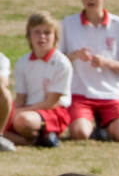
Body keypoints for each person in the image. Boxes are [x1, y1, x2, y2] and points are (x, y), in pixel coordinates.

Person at [61, 0, 119, 142]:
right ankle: (91, 126)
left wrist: (107, 63)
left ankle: (105, 126)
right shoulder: (69, 24)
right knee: (79, 133)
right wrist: (74, 56)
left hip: (111, 95)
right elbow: (58, 61)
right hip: (81, 93)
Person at [4, 12, 73, 148]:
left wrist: (19, 112)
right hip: (28, 109)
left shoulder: (61, 63)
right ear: (29, 35)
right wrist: (11, 112)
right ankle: (31, 141)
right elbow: (20, 98)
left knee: (22, 120)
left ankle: (39, 135)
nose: (42, 37)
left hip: (54, 112)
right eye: (37, 32)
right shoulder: (22, 62)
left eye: (47, 33)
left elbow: (51, 102)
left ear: (55, 36)